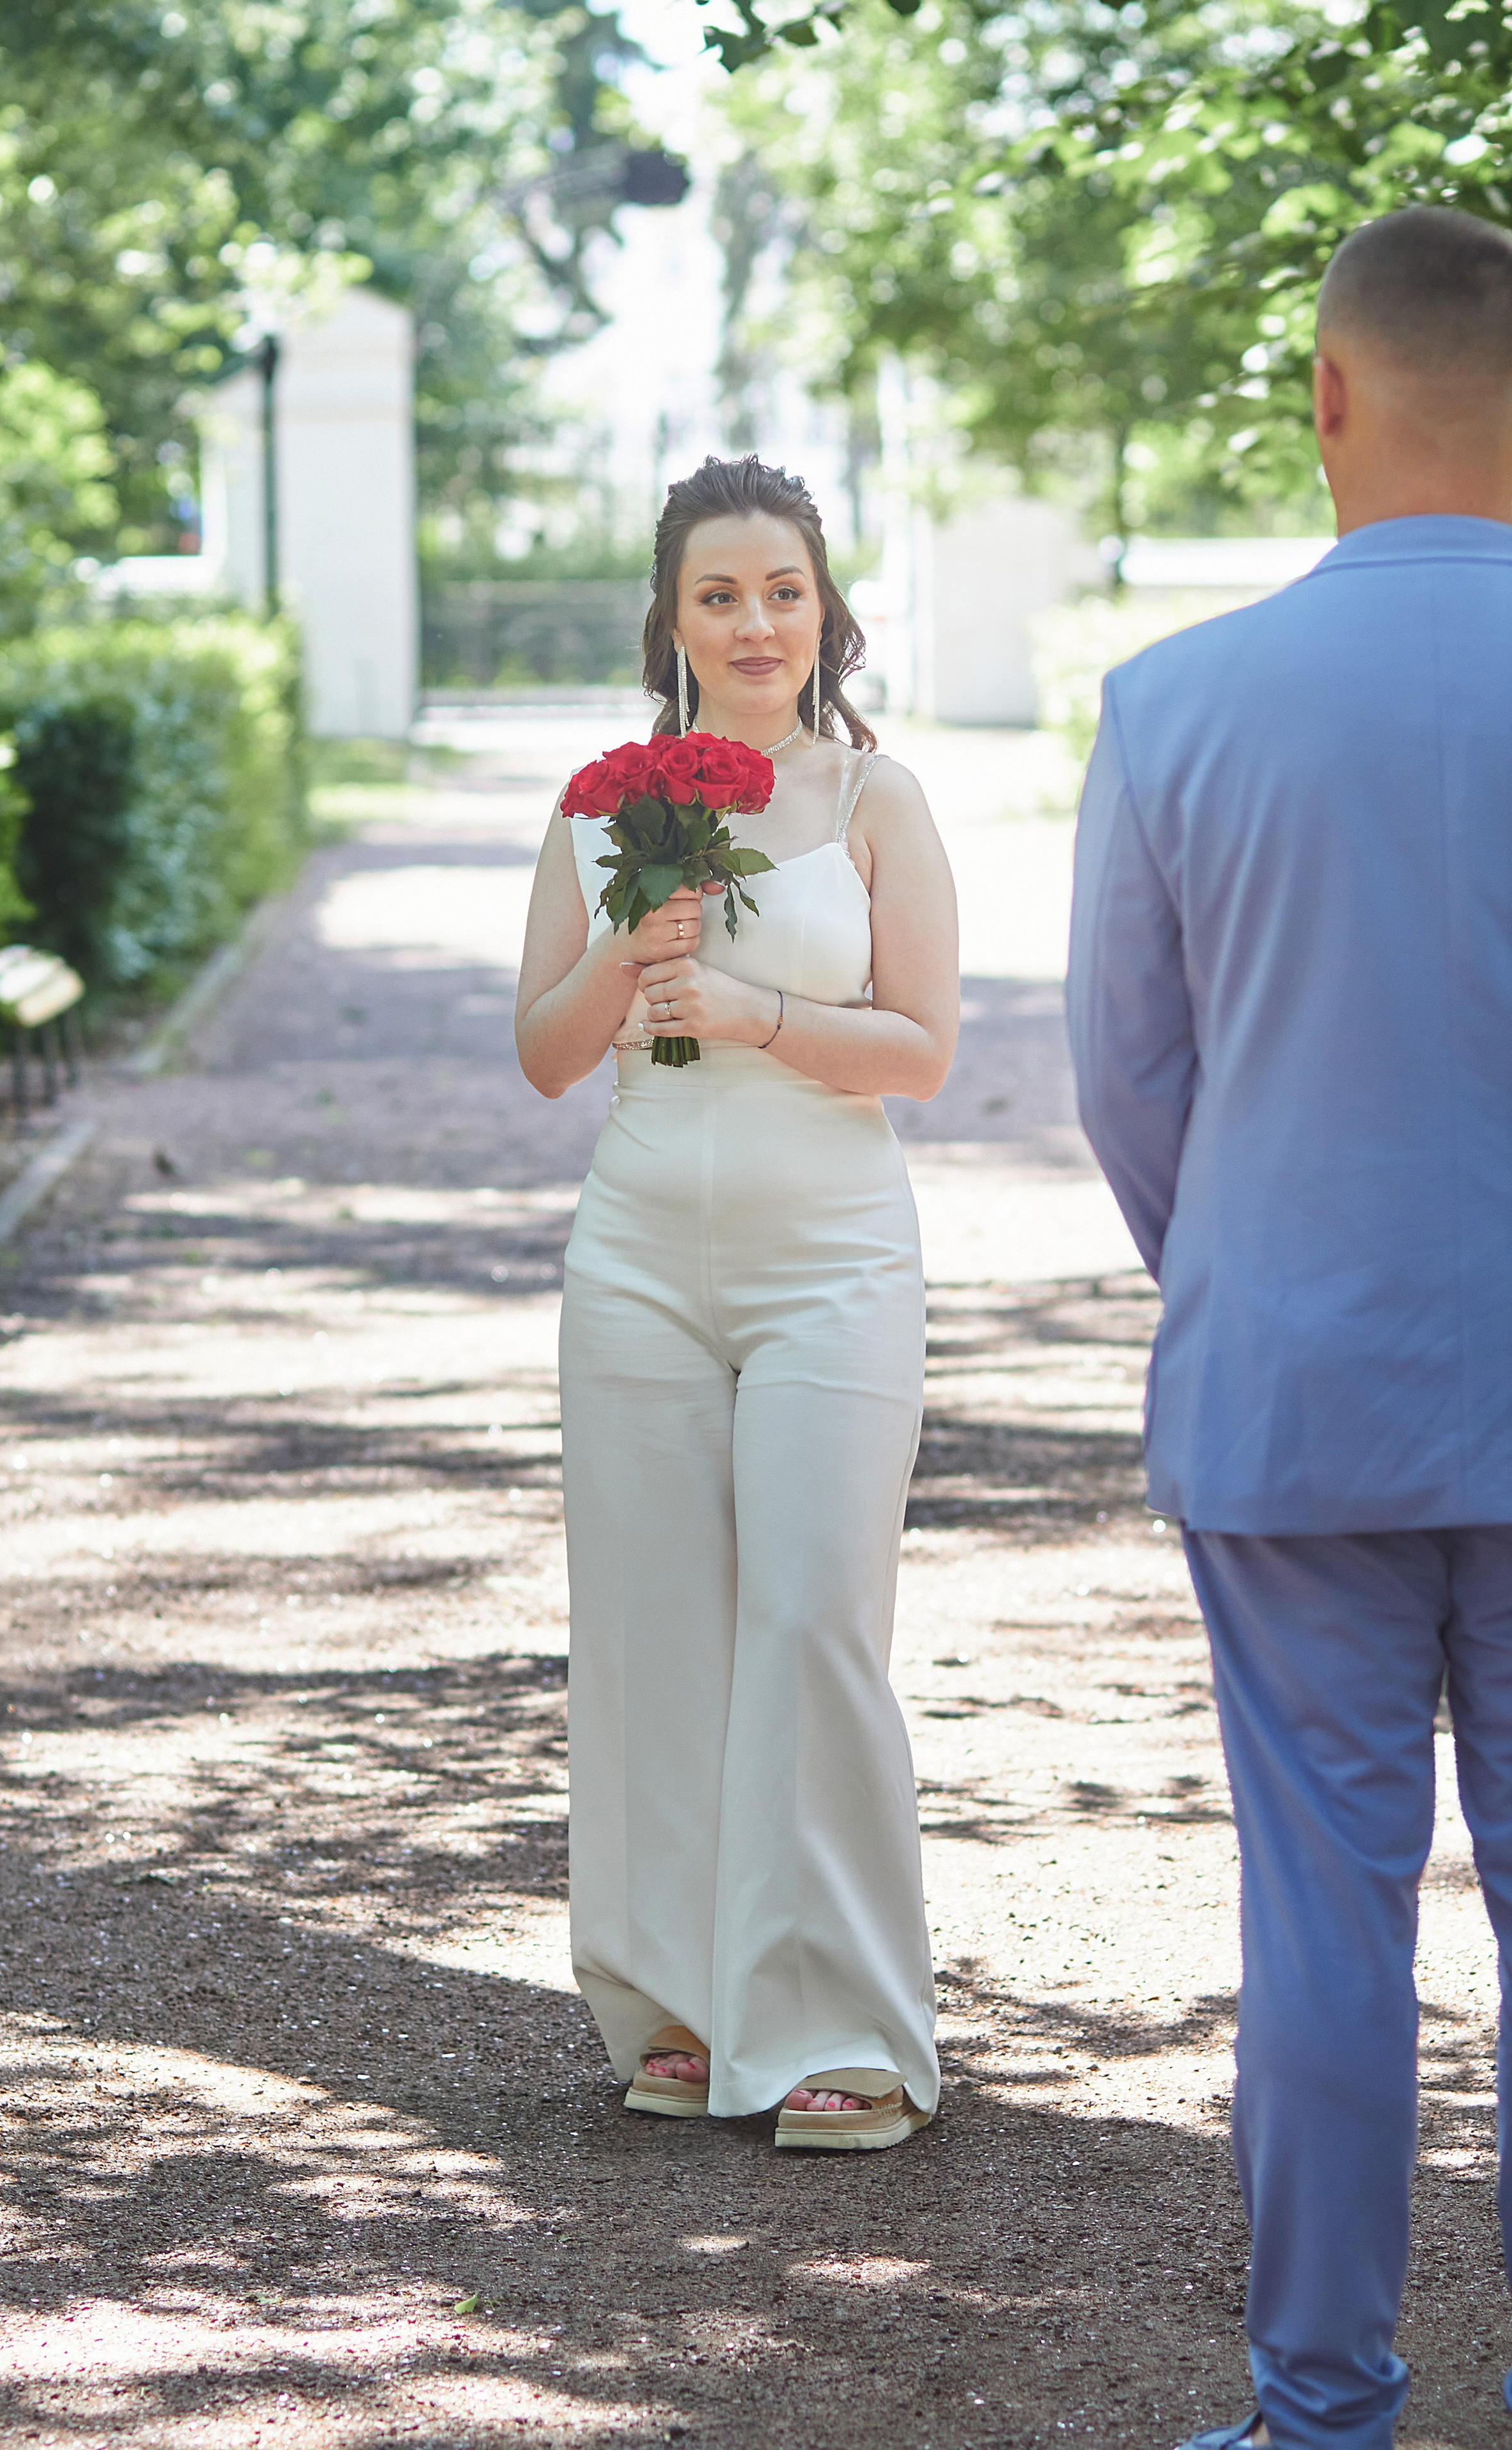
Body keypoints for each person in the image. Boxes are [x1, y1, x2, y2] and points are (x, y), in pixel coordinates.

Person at [1067, 205, 1512, 2449]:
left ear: (1327, 394)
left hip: (1296, 1399)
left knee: (1325, 1924)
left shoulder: (1177, 703)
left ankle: (1322, 2411)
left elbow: (1131, 1090)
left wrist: (1256, 1265)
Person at [515, 454, 959, 2148]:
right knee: (652, 1631)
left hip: (833, 1261)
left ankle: (840, 2021)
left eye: (783, 589)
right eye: (720, 594)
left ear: (824, 607)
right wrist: (634, 952)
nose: (756, 620)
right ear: (674, 621)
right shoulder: (604, 802)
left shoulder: (871, 801)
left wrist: (759, 1008)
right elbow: (545, 1057)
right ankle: (682, 2003)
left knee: (811, 1622)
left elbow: (922, 1051)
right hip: (634, 1258)